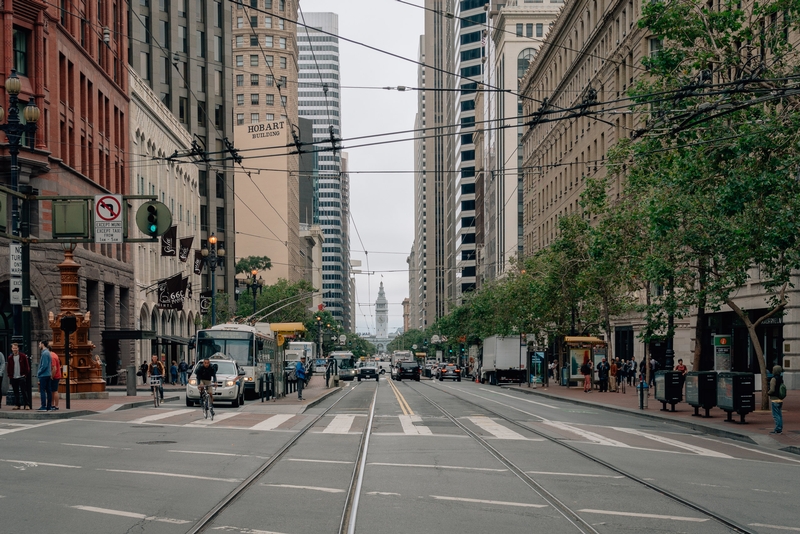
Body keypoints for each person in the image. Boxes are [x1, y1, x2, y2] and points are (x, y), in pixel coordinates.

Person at [7, 343, 31, 410]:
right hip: (13, 377)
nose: (14, 349)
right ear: (11, 349)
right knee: (16, 392)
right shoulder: (10, 358)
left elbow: (27, 366)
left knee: (23, 391)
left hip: (21, 376)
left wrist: (25, 374)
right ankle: (17, 404)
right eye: (13, 348)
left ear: (18, 348)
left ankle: (26, 404)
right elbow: (8, 368)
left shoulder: (23, 356)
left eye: (16, 348)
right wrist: (10, 376)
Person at [768, 365, 785, 434]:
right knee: (779, 414)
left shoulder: (773, 379)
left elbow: (772, 390)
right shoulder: (781, 379)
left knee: (775, 415)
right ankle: (780, 428)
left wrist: (768, 393)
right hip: (780, 399)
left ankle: (778, 429)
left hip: (775, 399)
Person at [37, 340, 53, 411]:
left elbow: (44, 365)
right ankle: (48, 406)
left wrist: (39, 372)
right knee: (48, 390)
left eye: (39, 344)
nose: (39, 346)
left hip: (44, 375)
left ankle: (43, 406)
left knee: (43, 390)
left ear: (43, 344)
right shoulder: (47, 353)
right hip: (48, 374)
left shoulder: (45, 353)